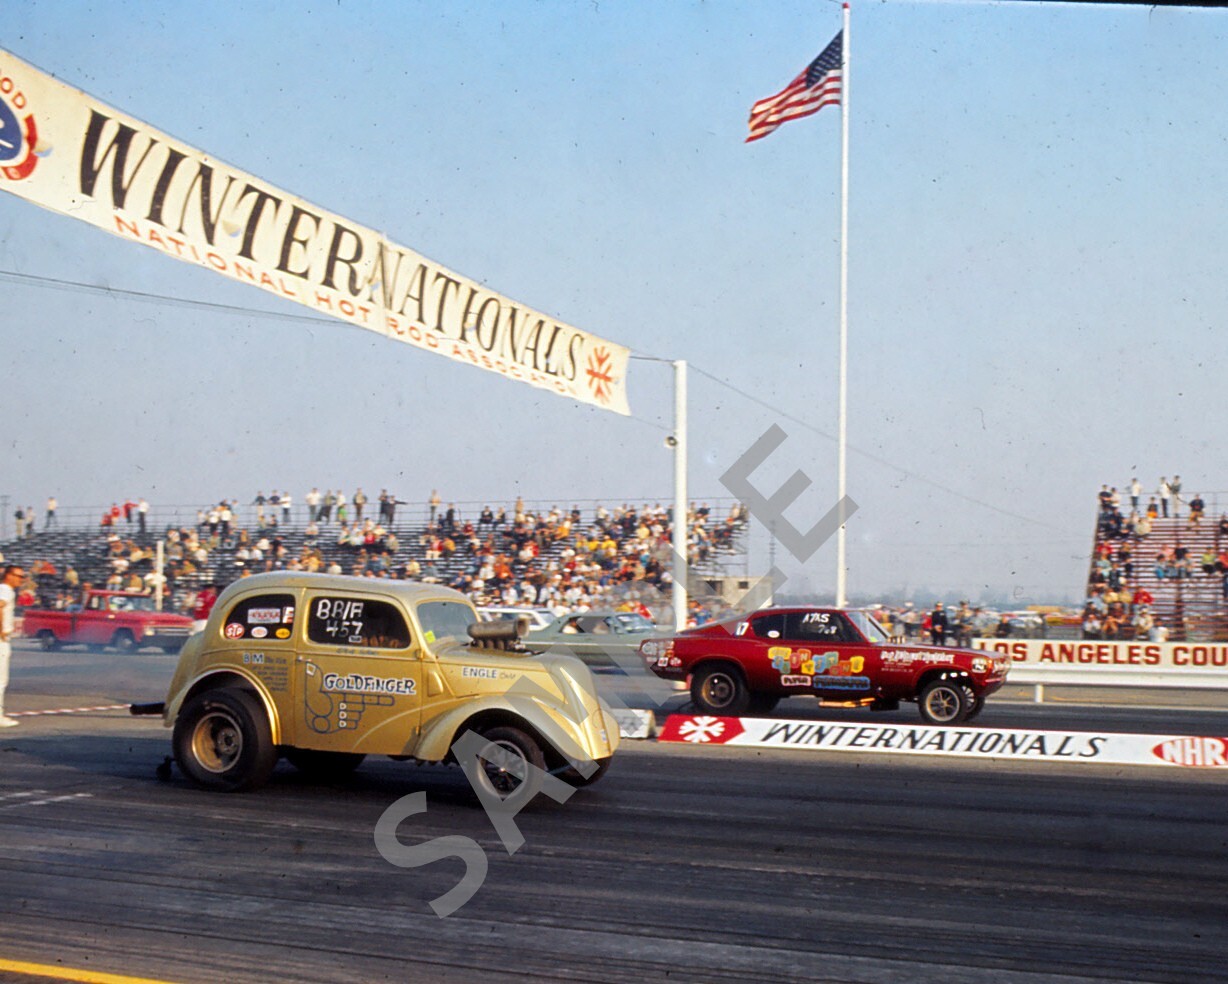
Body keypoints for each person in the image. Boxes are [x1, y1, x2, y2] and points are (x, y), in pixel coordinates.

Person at [0, 565, 25, 726]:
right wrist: (1, 628)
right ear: (9, 576)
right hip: (1, 640)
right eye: (18, 576)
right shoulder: (6, 590)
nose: (21, 580)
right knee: (1, 679)